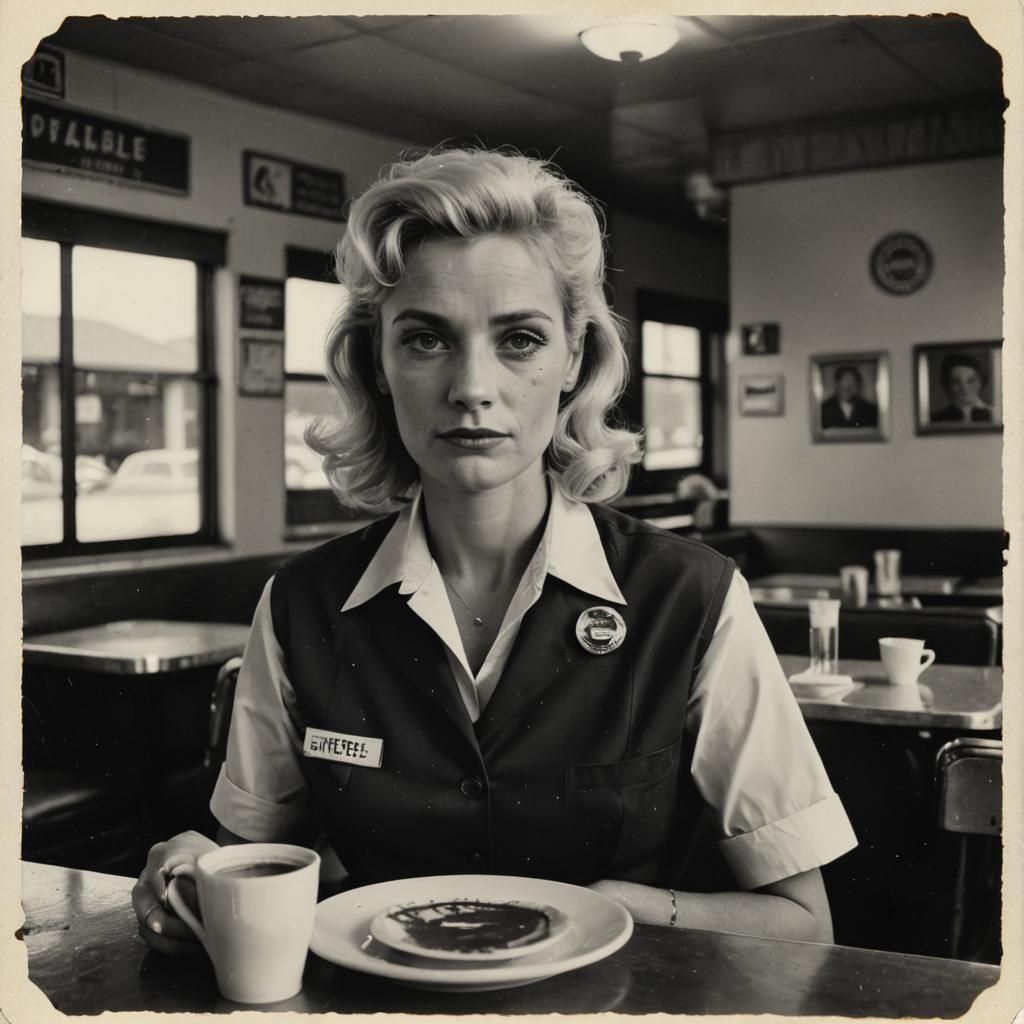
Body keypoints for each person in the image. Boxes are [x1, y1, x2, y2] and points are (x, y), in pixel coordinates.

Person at [133, 148, 856, 953]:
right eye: (426, 340)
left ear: (573, 358)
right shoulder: (301, 606)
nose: (472, 387)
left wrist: (627, 908)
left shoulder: (695, 598)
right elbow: (250, 869)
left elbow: (804, 926)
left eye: (518, 340)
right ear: (379, 363)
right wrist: (195, 872)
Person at [931, 352, 994, 423]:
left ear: (981, 382)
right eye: (956, 382)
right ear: (948, 384)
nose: (964, 388)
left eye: (971, 381)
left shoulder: (995, 416)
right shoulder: (935, 419)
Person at [820, 365, 878, 429]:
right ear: (837, 384)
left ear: (858, 385)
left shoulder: (871, 410)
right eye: (843, 385)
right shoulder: (823, 409)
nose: (847, 389)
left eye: (852, 384)